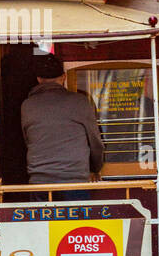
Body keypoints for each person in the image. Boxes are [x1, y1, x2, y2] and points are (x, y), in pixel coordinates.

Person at [20, 53, 103, 193]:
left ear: (39, 79)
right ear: (64, 77)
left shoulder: (27, 105)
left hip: (40, 181)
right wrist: (96, 168)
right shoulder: (80, 102)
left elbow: (28, 140)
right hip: (75, 180)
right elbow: (95, 142)